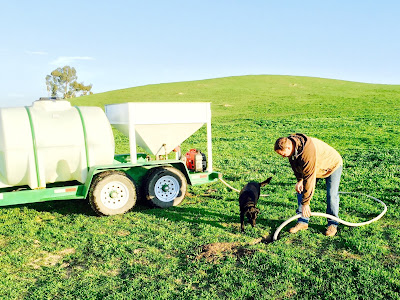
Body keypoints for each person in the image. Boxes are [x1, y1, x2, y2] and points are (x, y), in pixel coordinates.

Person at [274, 133, 343, 237]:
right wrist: (299, 180)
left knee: (331, 195)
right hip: (315, 167)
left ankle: (332, 224)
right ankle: (302, 222)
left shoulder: (307, 152)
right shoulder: (292, 147)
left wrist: (306, 203)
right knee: (301, 188)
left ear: (289, 147)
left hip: (332, 165)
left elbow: (309, 177)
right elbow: (295, 166)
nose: (283, 156)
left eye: (283, 154)